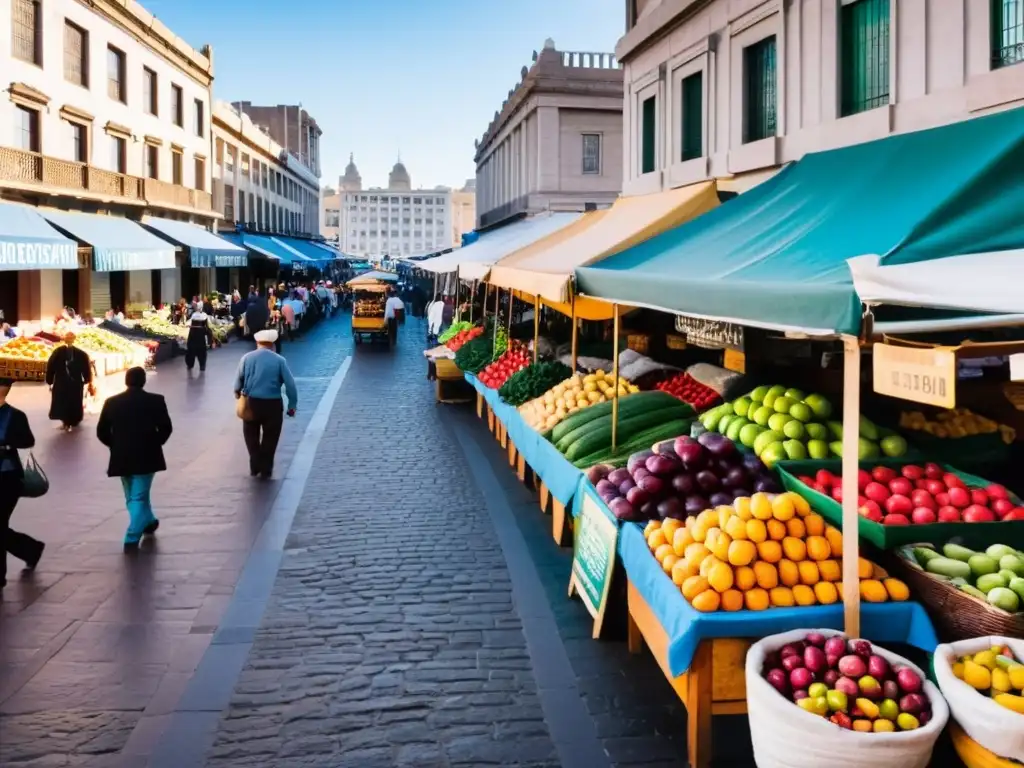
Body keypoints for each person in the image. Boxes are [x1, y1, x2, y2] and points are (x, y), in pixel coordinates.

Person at [96, 368, 173, 551]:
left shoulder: (112, 402)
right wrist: (155, 443)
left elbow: (102, 431)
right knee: (138, 495)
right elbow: (166, 427)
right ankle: (132, 535)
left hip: (122, 456)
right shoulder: (156, 400)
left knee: (132, 495)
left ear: (126, 381)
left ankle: (147, 522)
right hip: (147, 455)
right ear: (144, 381)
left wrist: (114, 446)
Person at [0, 378, 44, 589]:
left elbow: (28, 441)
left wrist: (7, 444)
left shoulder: (15, 416)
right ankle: (30, 549)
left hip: (7, 477)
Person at [234, 329, 296, 479]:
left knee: (251, 435)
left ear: (257, 343)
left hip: (251, 402)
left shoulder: (246, 358)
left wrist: (237, 392)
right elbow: (290, 385)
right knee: (271, 437)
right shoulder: (280, 360)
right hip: (273, 404)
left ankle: (255, 465)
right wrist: (292, 405)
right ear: (273, 344)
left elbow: (238, 381)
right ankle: (266, 468)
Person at [45, 331, 93, 432]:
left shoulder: (57, 352)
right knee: (74, 401)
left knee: (62, 401)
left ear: (64, 339)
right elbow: (86, 368)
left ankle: (66, 421)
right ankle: (74, 420)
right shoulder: (81, 353)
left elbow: (50, 366)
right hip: (75, 382)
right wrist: (87, 379)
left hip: (61, 382)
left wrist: (49, 380)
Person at [185, 302, 214, 373]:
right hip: (200, 335)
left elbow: (189, 322)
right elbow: (207, 327)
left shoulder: (194, 315)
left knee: (191, 350)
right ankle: (202, 365)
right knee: (201, 351)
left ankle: (190, 364)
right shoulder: (204, 315)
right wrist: (210, 338)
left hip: (193, 335)